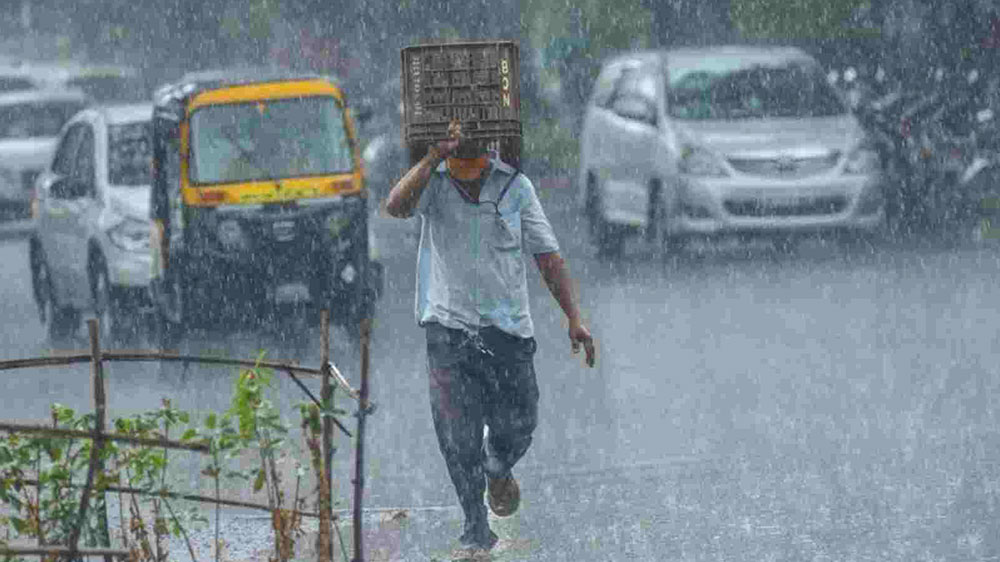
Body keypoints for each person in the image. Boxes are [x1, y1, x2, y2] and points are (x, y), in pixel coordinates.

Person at [385, 119, 596, 558]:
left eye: (471, 127)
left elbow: (548, 256)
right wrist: (432, 157)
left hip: (508, 333)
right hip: (449, 331)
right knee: (456, 437)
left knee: (520, 422)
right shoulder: (434, 184)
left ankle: (498, 464)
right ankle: (476, 529)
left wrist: (574, 317)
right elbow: (397, 206)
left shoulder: (515, 187)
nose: (463, 134)